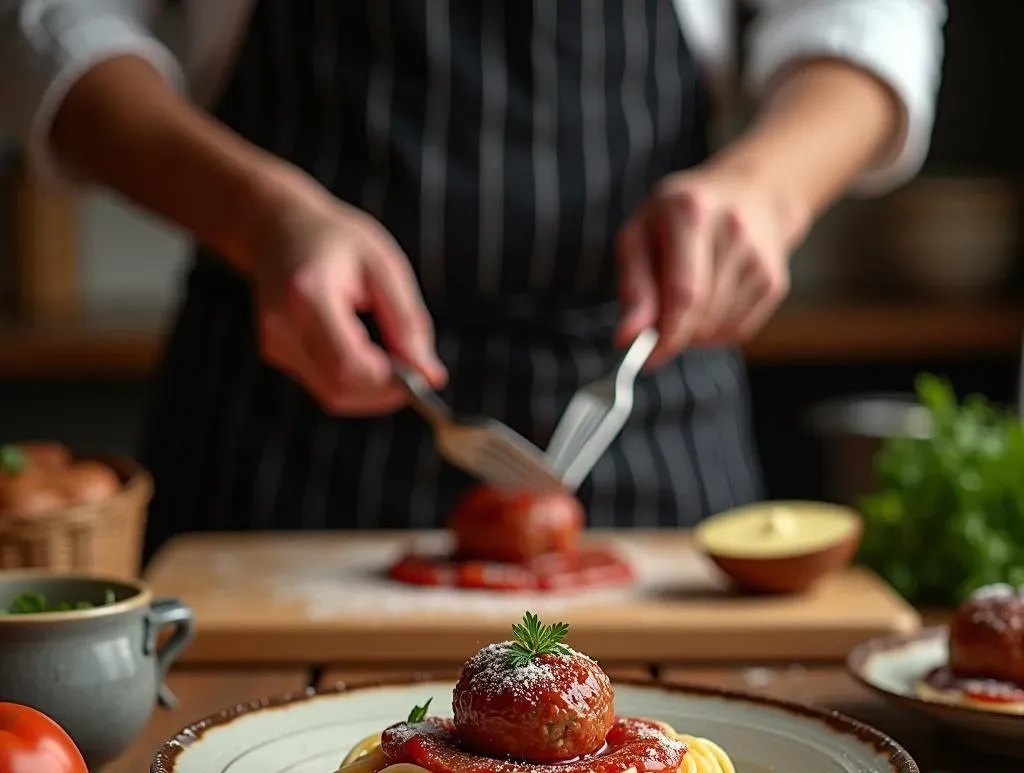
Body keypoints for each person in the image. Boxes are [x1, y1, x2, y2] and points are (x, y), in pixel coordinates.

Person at [0, 1, 945, 557]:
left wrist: (764, 186)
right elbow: (53, 23)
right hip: (280, 414)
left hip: (647, 393)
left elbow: (866, 19)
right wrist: (260, 214)